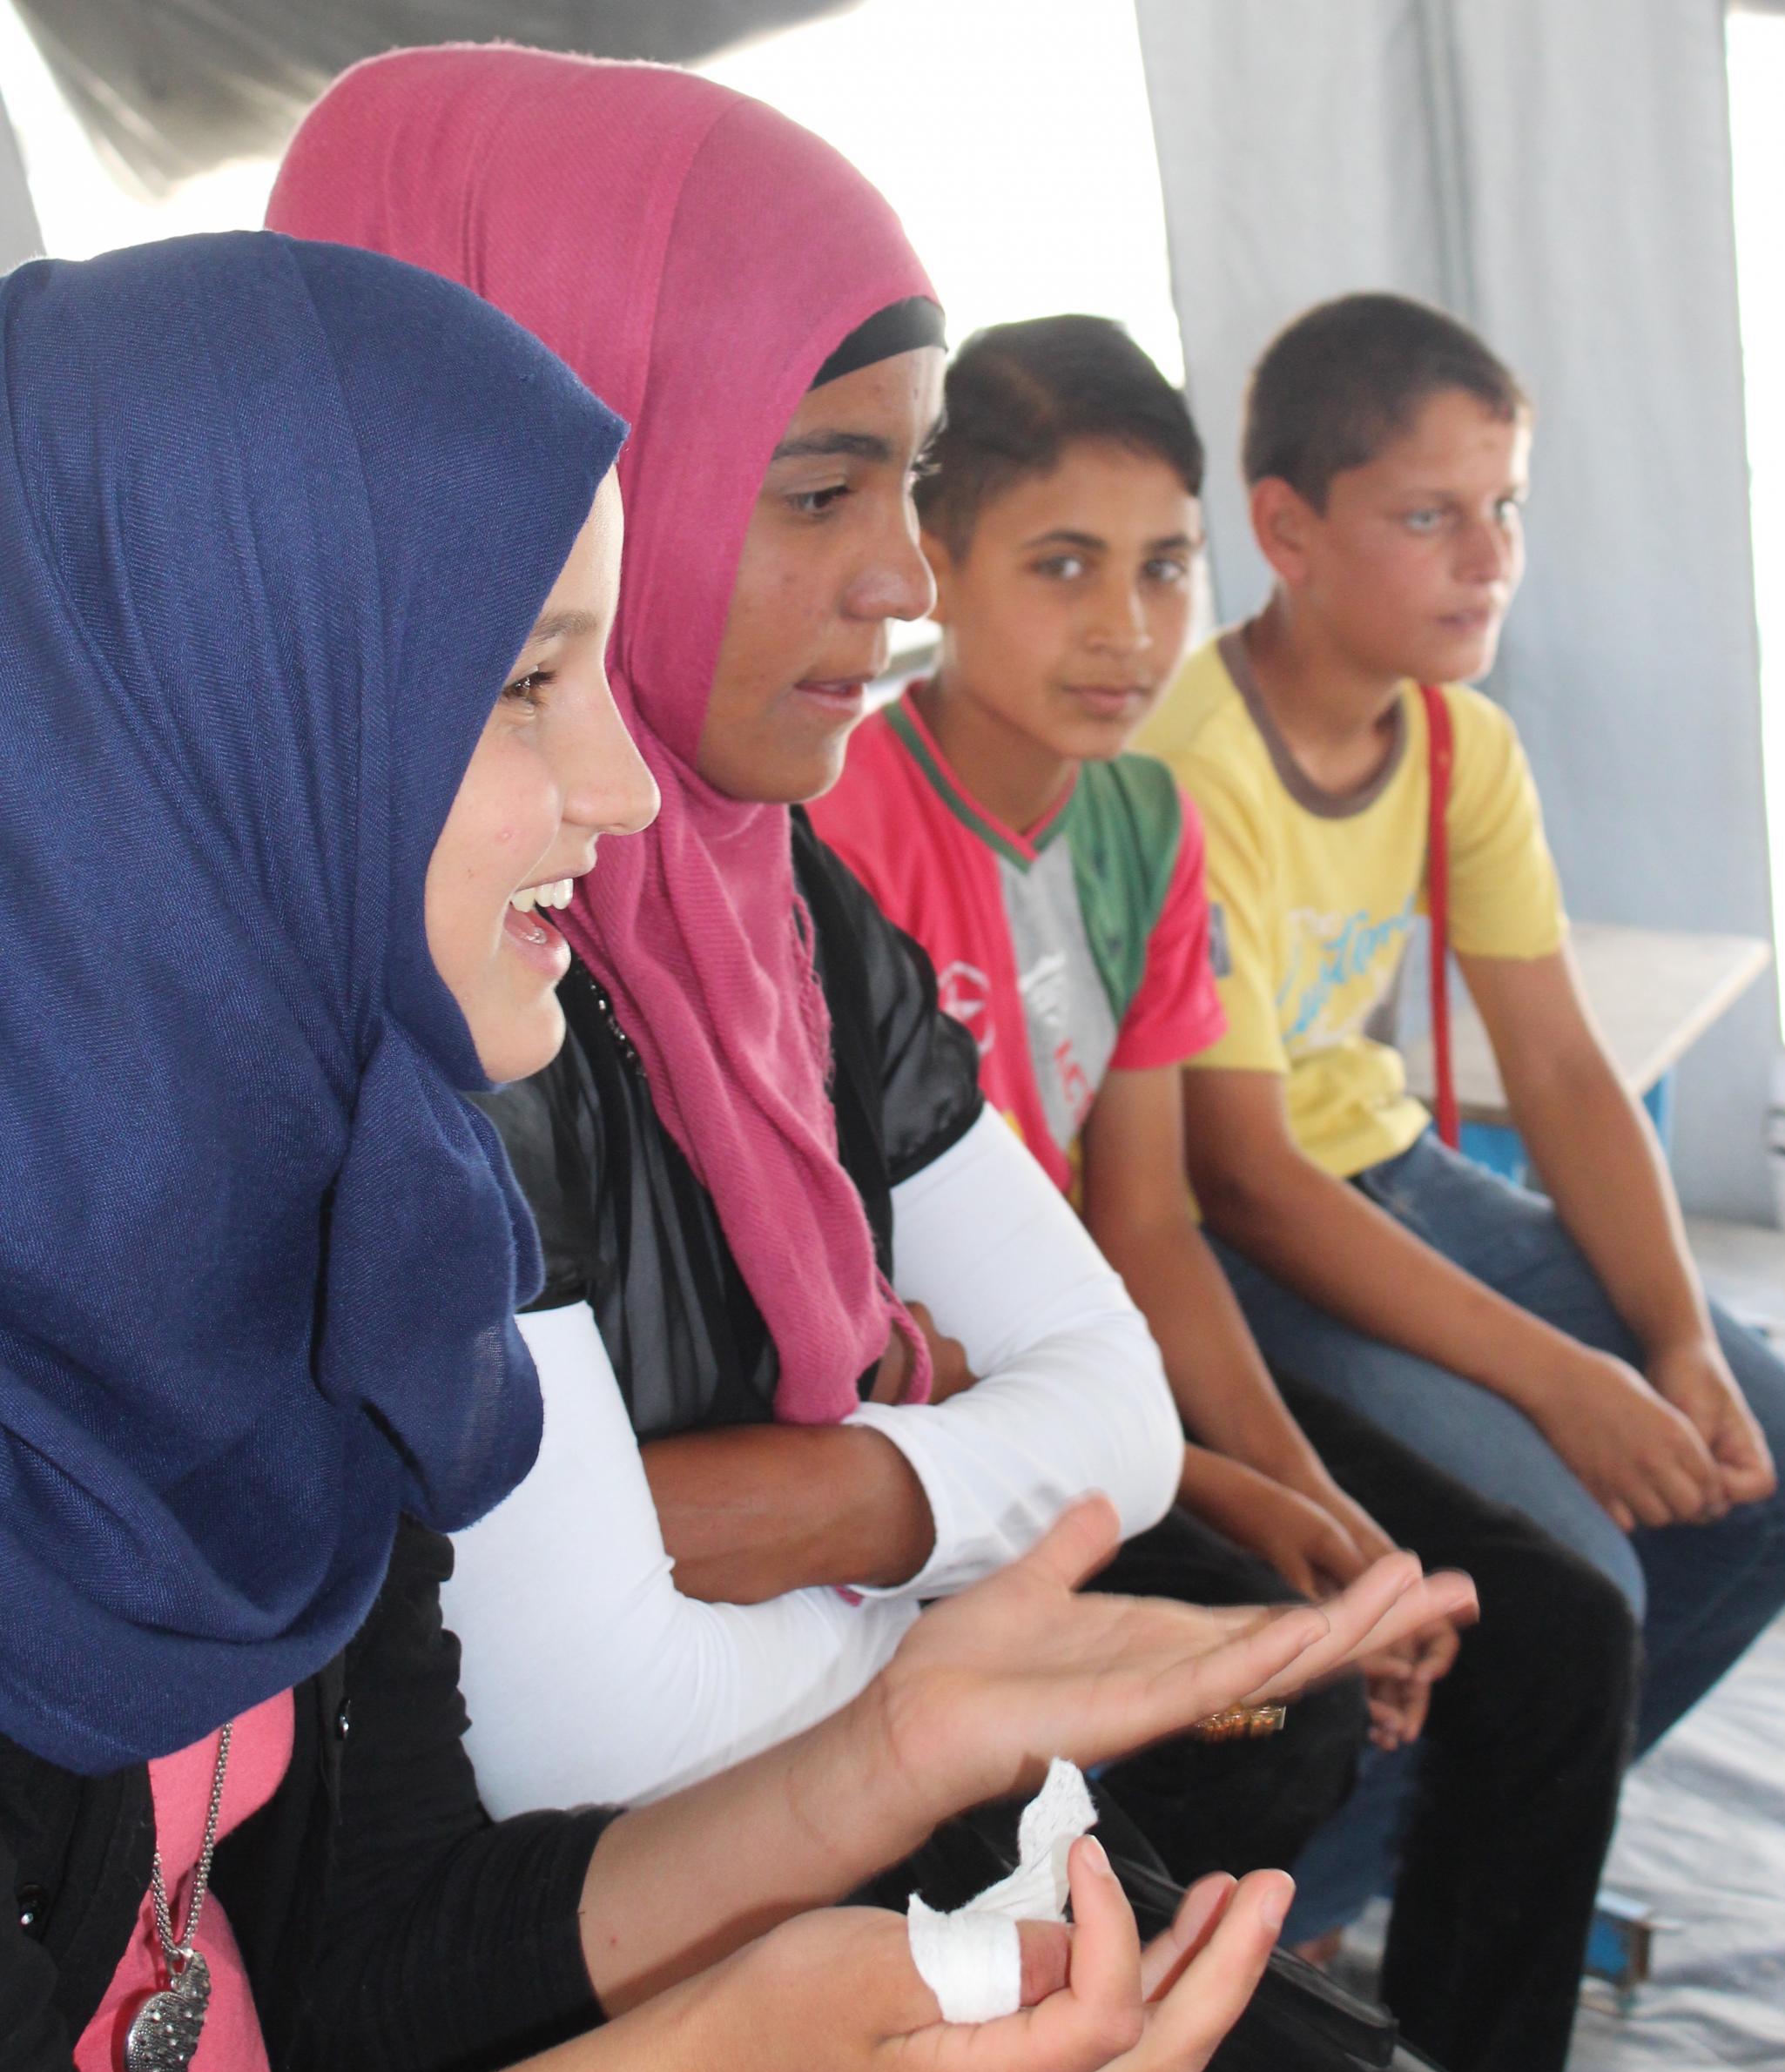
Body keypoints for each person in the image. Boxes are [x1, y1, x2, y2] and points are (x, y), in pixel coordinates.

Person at [0, 230, 1468, 2072]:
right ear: (194, 713)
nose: (615, 786)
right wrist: (719, 2062)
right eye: (522, 686)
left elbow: (352, 1960)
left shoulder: (330, 1231)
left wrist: (879, 1754)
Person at [264, 43, 1379, 1887]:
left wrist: (810, 1500)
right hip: (556, 1952)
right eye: (812, 492)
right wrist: (965, 1611)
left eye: (911, 483)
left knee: (1285, 1699)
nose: (906, 581)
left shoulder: (768, 890)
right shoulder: (427, 964)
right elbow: (580, 1723)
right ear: (579, 449)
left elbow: (1110, 1396)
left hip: (801, 1790)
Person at [811, 312, 1638, 2072]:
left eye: (1164, 566)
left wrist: (1307, 1498)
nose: (1127, 626)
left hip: (1122, 1384)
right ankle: (1104, 2053)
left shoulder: (1143, 827)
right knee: (1285, 1706)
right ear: (935, 565)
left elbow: (1158, 1226)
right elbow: (887, 1311)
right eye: (1062, 567)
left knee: (1551, 1620)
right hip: (947, 1434)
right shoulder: (846, 826)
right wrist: (1230, 1493)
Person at [1137, 291, 1785, 1752]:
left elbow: (1560, 1066)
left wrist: (1677, 1345)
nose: (1490, 562)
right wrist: (1567, 1378)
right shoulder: (1194, 769)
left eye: (1507, 508)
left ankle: (1482, 1838)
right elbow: (1242, 1177)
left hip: (1399, 1183)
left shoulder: (1459, 736)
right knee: (1567, 1580)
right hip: (1251, 1237)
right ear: (1286, 533)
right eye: (1429, 519)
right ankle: (1309, 1915)